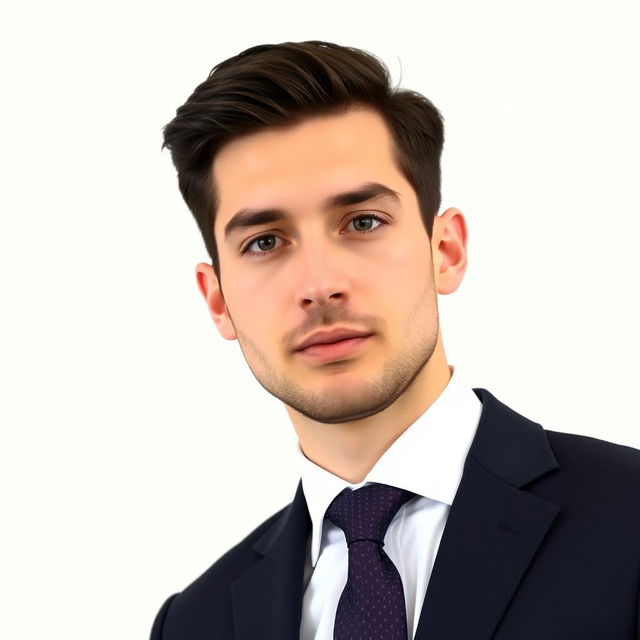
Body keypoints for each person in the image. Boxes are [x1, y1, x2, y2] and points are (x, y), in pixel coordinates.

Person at [150, 40, 640, 640]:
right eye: (265, 242)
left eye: (362, 222)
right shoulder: (195, 623)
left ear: (445, 251)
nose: (320, 285)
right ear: (218, 300)